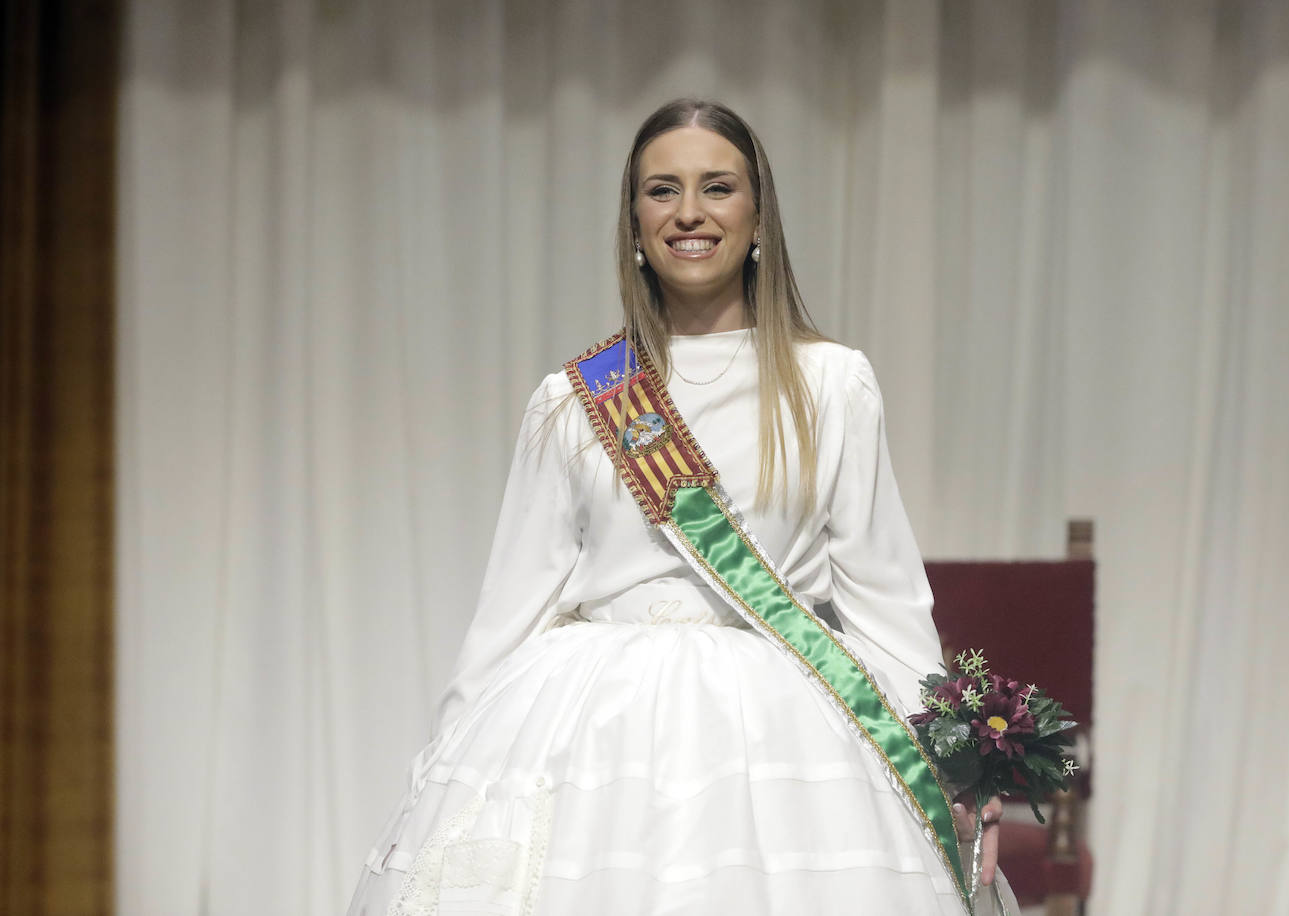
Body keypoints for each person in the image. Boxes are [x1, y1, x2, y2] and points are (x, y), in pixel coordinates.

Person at [347, 99, 1016, 916]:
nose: (689, 213)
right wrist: (447, 761)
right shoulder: (572, 400)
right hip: (591, 732)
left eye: (717, 187)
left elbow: (886, 601)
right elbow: (511, 609)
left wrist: (954, 764)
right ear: (634, 220)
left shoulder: (832, 385)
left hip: (785, 737)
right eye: (663, 189)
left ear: (758, 213)